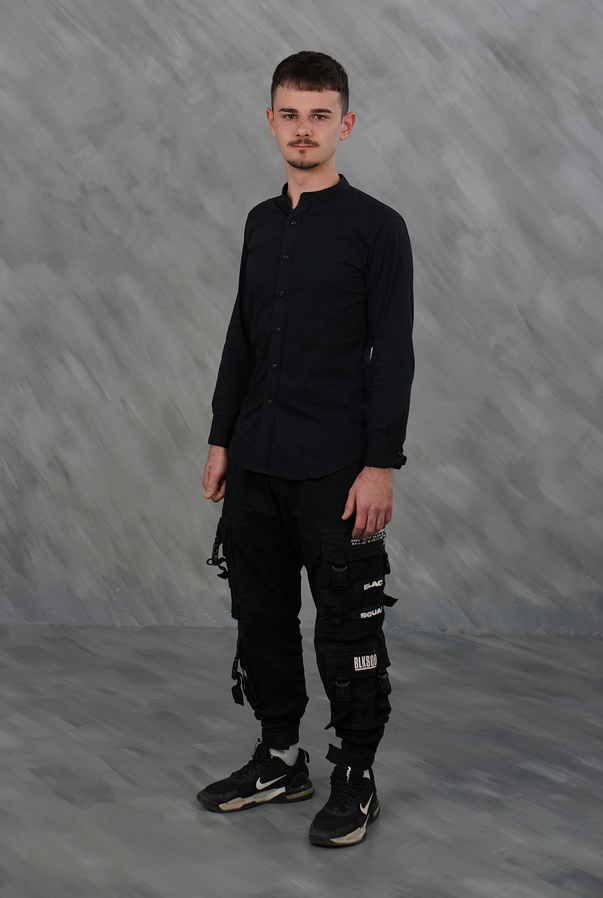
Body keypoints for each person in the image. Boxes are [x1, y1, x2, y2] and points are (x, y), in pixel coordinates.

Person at [197, 50, 415, 848]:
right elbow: (242, 338)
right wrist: (220, 439)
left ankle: (354, 774)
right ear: (270, 121)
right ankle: (280, 758)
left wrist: (380, 464)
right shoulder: (260, 222)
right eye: (289, 114)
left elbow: (392, 354)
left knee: (347, 630)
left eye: (319, 115)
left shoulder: (378, 228)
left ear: (344, 125)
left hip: (336, 467)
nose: (302, 129)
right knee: (260, 617)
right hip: (256, 458)